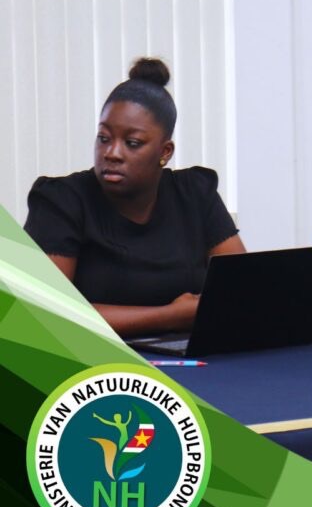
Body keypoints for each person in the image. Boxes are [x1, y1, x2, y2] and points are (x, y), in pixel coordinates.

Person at [24, 57, 245, 337]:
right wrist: (171, 316)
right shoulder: (61, 201)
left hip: (190, 354)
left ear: (165, 152)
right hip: (94, 357)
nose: (111, 153)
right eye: (104, 138)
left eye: (132, 143)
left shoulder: (194, 194)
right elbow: (48, 313)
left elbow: (241, 290)